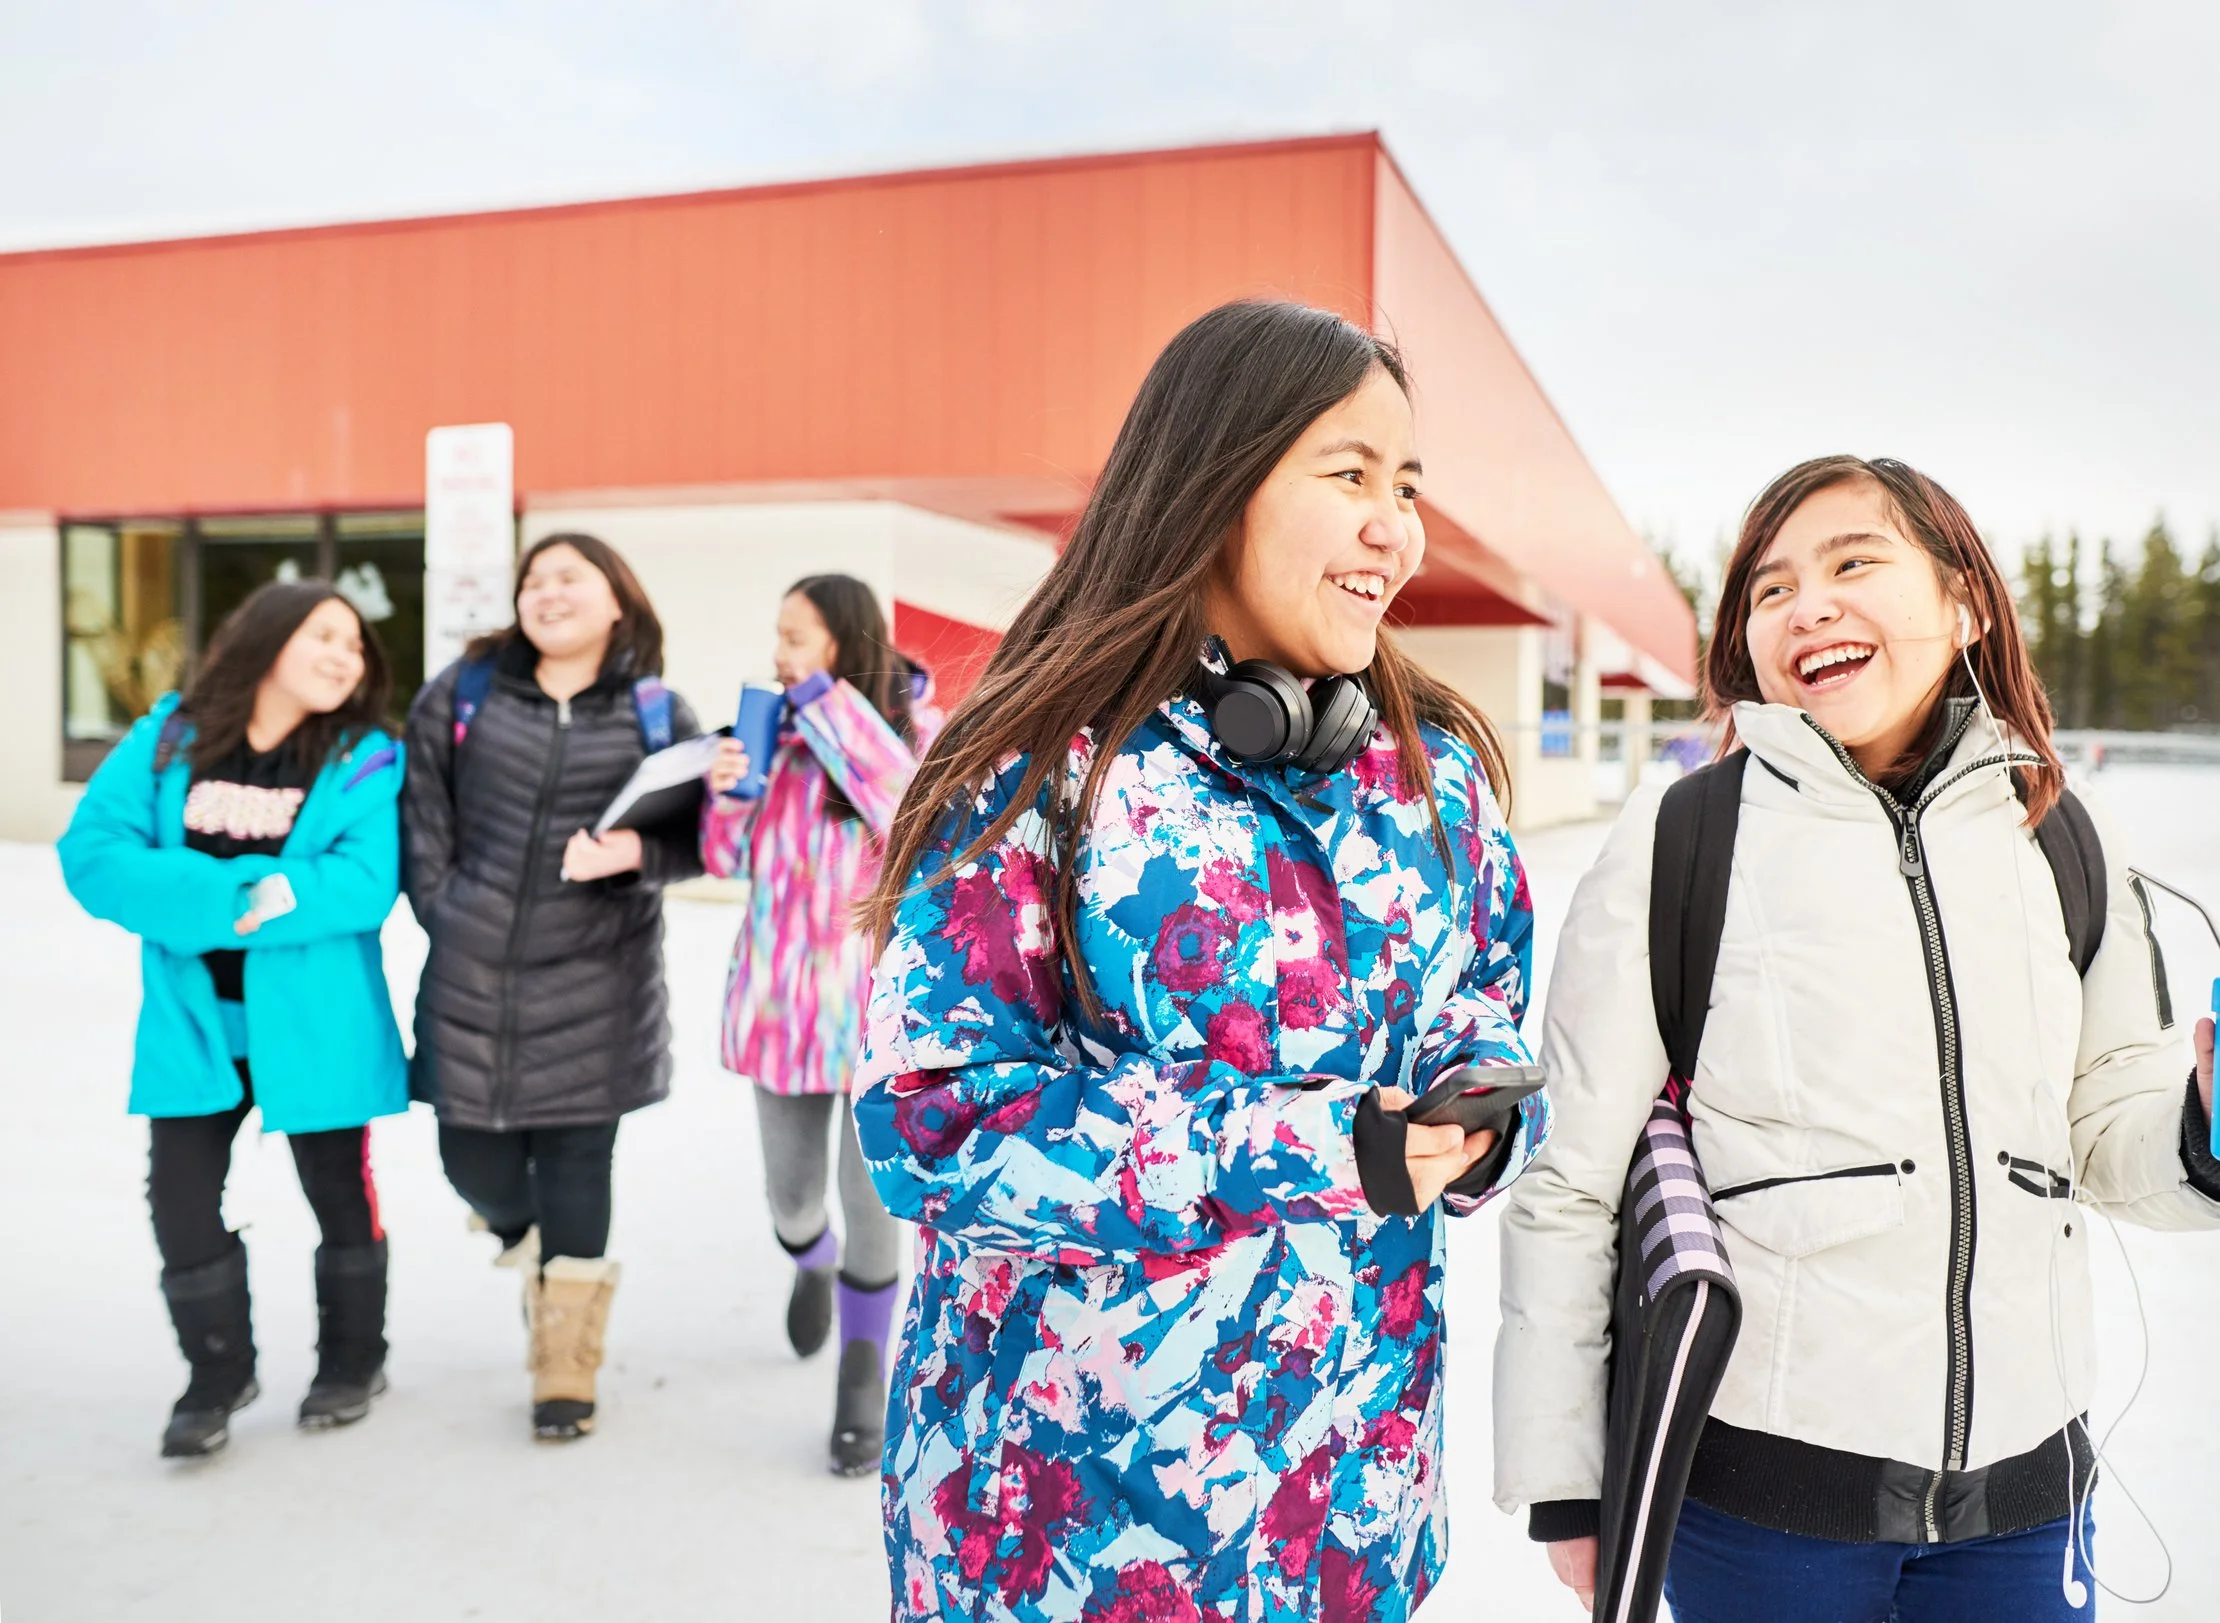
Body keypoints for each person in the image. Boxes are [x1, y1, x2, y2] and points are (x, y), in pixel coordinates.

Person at [1494, 456, 2220, 1621]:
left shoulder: (2058, 833)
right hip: (1763, 1511)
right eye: (1770, 590)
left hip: (2023, 1504)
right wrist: (1569, 1484)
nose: (1806, 606)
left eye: (1852, 563)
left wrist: (2210, 1131)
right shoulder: (1684, 836)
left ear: (1964, 603)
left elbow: (2099, 1130)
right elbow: (1569, 1176)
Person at [853, 299, 1548, 1622]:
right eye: (1350, 475)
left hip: (1352, 1521)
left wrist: (1483, 1107)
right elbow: (933, 1123)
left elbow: (1485, 993)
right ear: (1214, 486)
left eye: (1406, 487)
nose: (1395, 528)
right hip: (1072, 1539)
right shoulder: (1036, 770)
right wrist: (1312, 1144)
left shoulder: (1433, 772)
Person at [59, 580, 405, 1458]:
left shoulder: (364, 756)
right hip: (196, 1021)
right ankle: (217, 1371)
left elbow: (363, 883)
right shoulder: (171, 736)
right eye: (324, 635)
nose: (343, 656)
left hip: (317, 1023)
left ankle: (355, 1358)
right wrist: (237, 896)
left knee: (338, 1189)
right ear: (267, 636)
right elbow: (93, 854)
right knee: (178, 1198)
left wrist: (210, 896)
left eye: (355, 645)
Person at [400, 532, 704, 1442]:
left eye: (571, 576)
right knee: (473, 1162)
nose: (548, 591)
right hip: (473, 973)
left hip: (599, 978)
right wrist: (446, 907)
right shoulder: (462, 693)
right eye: (534, 578)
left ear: (617, 598)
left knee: (577, 1166)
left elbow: (701, 840)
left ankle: (565, 1365)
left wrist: (637, 852)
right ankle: (523, 1240)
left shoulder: (658, 711)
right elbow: (423, 813)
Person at [699, 573, 934, 1474]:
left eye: (795, 637)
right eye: (778, 635)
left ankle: (862, 1376)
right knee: (792, 1199)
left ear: (845, 642)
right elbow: (725, 859)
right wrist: (730, 790)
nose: (779, 654)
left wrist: (827, 711)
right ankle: (809, 1260)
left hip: (881, 1020)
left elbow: (909, 819)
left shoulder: (917, 733)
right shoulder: (774, 741)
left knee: (874, 1207)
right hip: (783, 1013)